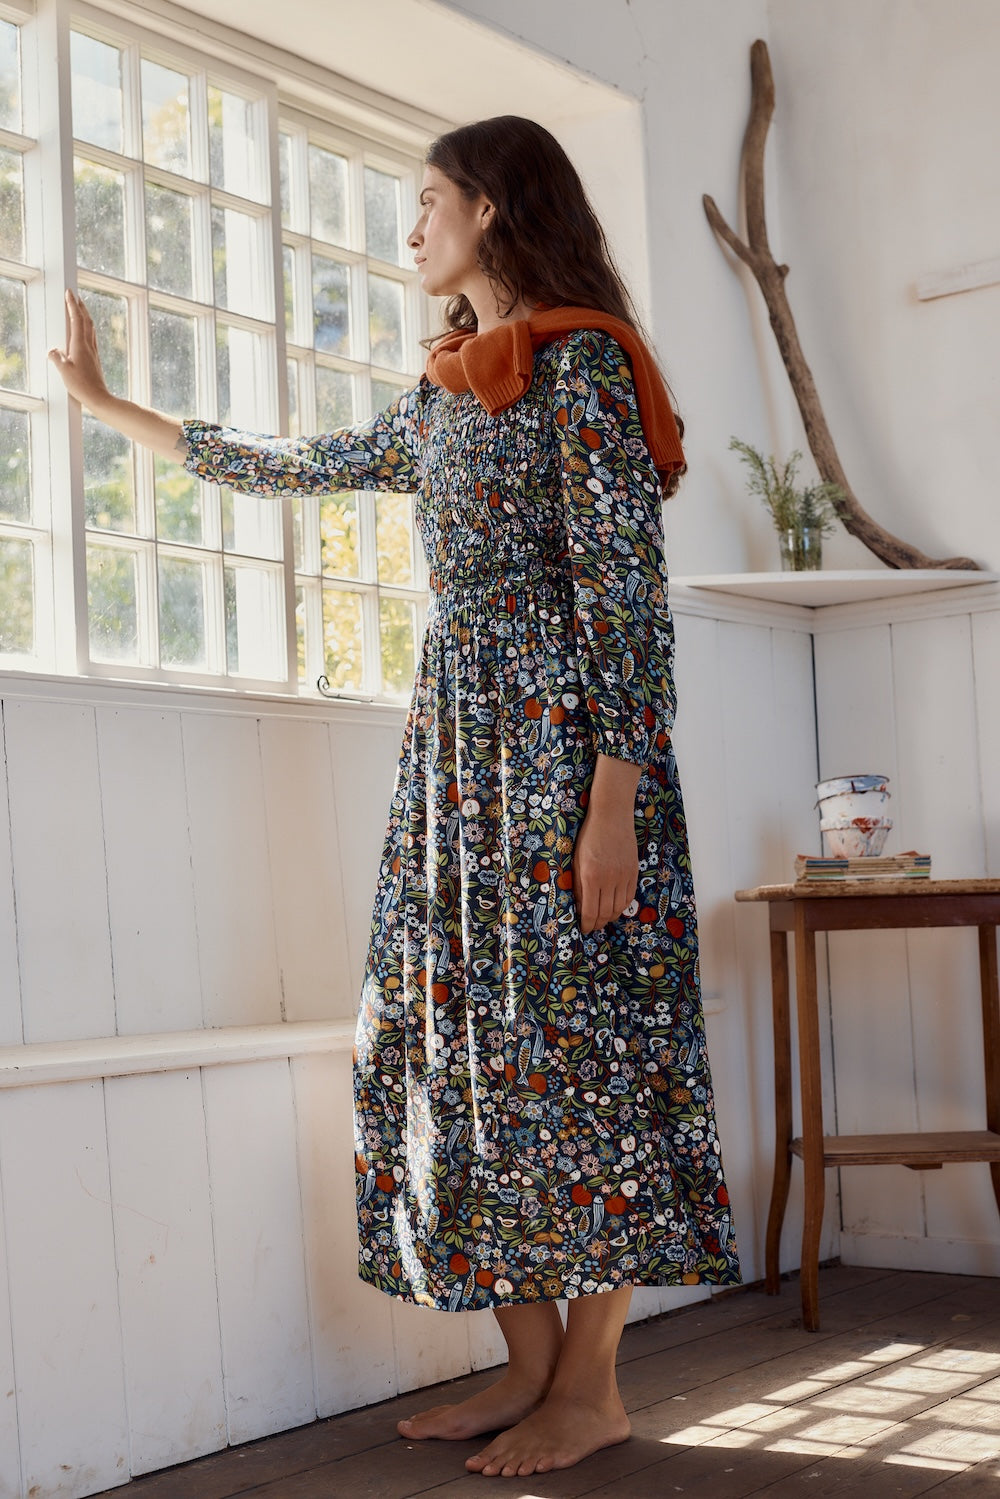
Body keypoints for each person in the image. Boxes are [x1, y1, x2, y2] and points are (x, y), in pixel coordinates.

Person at [50, 114, 739, 1480]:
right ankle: (526, 1366)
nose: (410, 227)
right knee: (444, 1045)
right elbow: (301, 465)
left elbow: (624, 599)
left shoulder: (584, 365)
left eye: (429, 199)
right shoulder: (444, 390)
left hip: (567, 759)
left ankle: (592, 1387)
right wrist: (112, 408)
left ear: (493, 208)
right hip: (459, 765)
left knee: (581, 1047)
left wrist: (614, 799)